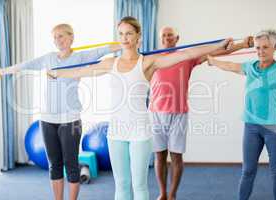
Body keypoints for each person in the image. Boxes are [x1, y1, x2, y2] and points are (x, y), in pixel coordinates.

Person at [47, 16, 233, 200]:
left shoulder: (148, 62)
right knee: (121, 185)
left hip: (140, 132)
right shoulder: (111, 63)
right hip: (116, 132)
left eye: (129, 34)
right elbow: (79, 72)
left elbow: (187, 54)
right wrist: (56, 73)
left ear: (138, 37)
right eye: (121, 34)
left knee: (139, 185)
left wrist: (218, 45)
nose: (124, 38)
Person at [0, 23, 121, 200]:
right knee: (54, 164)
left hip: (70, 119)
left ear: (71, 38)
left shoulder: (80, 57)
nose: (58, 40)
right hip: (47, 119)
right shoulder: (48, 58)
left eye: (61, 36)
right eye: (55, 37)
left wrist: (124, 43)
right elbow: (26, 65)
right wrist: (3, 71)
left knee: (71, 164)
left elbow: (103, 50)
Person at [149, 26, 254, 200]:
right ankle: (162, 193)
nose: (167, 38)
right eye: (164, 36)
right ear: (160, 39)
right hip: (155, 113)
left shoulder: (187, 57)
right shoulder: (152, 58)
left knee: (176, 156)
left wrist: (243, 44)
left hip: (179, 112)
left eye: (170, 36)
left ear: (177, 38)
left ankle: (173, 195)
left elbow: (220, 51)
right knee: (159, 155)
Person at [207, 29, 276, 200]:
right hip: (251, 126)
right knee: (247, 171)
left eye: (266, 47)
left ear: (275, 47)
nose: (261, 51)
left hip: (273, 127)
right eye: (258, 48)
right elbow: (230, 66)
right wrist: (212, 61)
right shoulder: (249, 67)